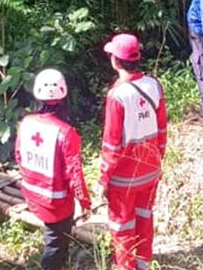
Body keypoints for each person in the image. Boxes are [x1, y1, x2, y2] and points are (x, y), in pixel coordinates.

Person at [99, 33, 167, 270]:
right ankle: (144, 263)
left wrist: (103, 179)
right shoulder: (154, 85)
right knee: (144, 216)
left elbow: (111, 143)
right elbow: (162, 128)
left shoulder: (117, 96)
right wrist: (158, 158)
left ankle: (126, 266)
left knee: (122, 225)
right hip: (150, 169)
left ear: (116, 61)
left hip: (123, 176)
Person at [15, 69, 91, 270]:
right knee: (55, 246)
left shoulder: (26, 123)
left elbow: (19, 156)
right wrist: (85, 201)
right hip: (56, 205)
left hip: (31, 195)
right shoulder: (66, 133)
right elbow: (75, 175)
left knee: (54, 241)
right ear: (64, 96)